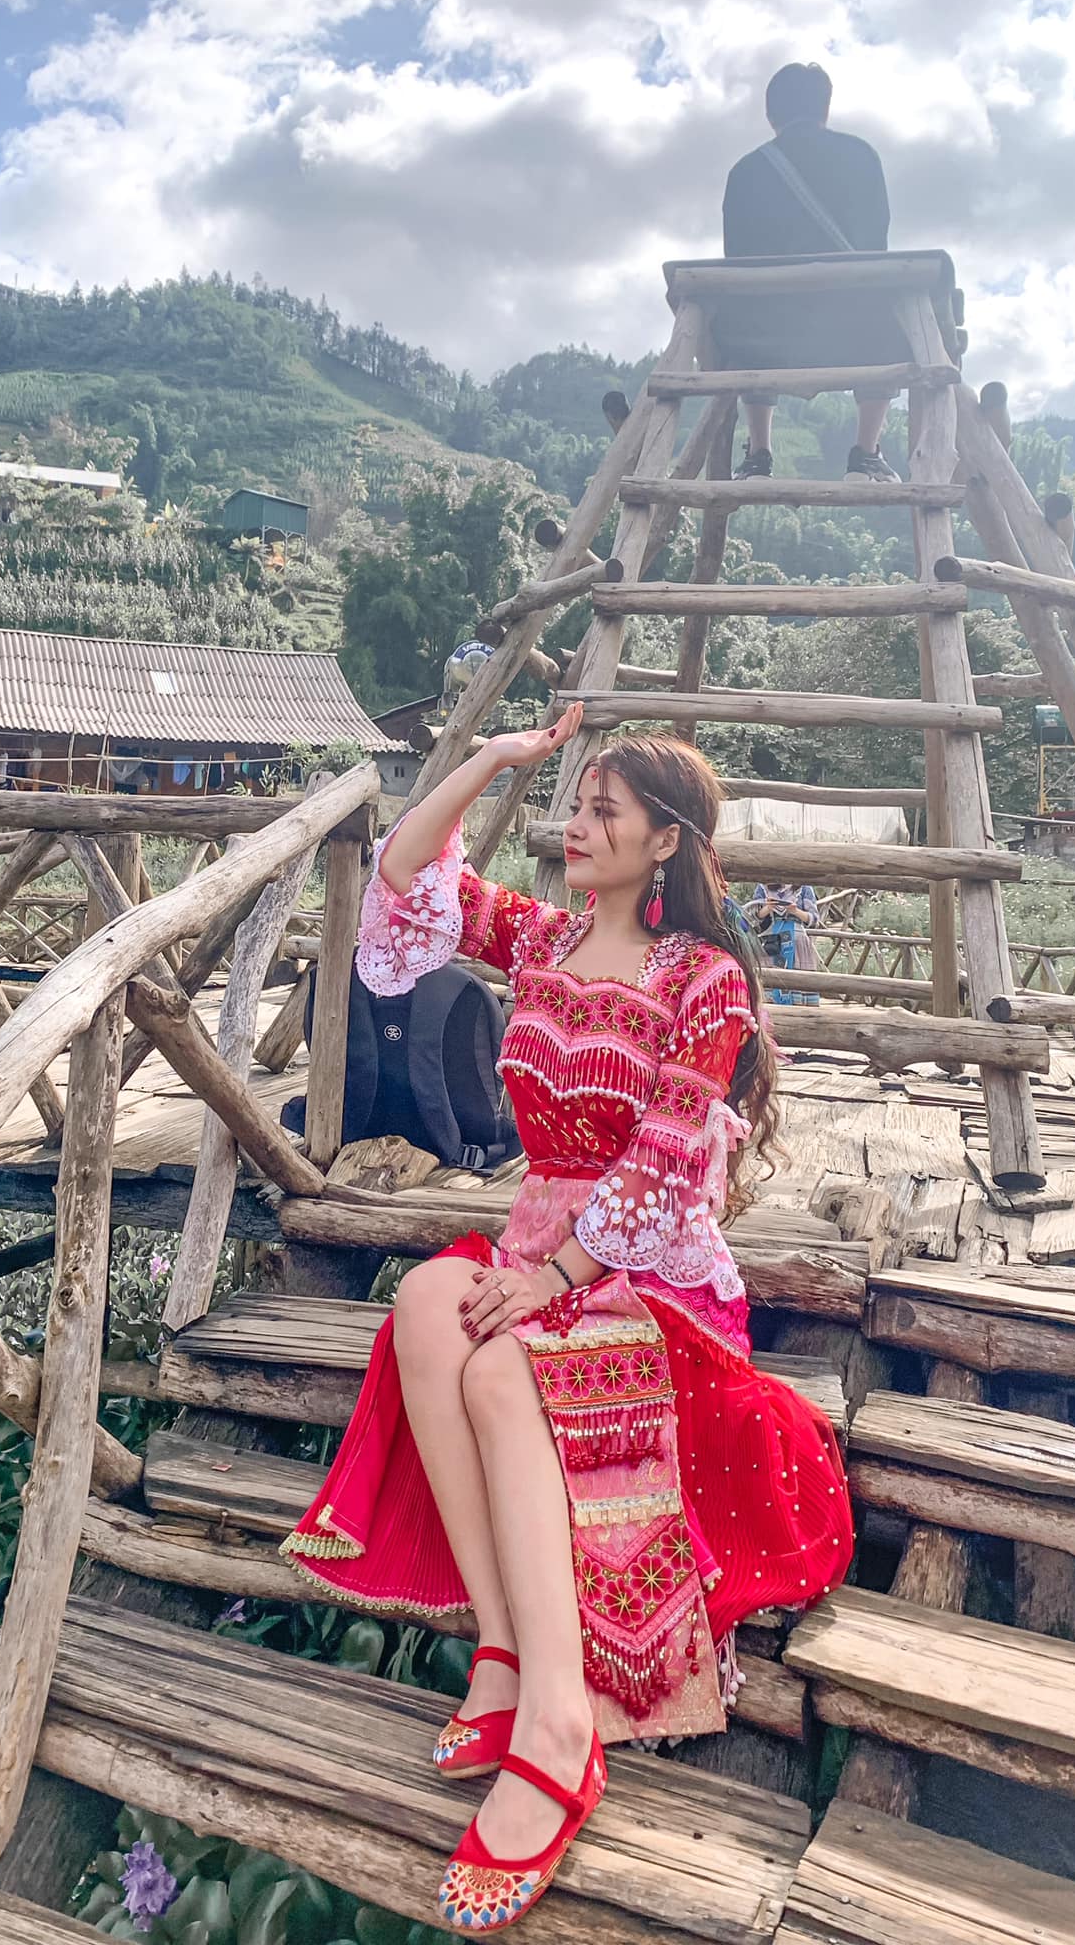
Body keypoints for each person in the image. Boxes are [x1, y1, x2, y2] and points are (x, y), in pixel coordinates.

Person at [280, 708, 853, 1931]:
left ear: (666, 840)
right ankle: (502, 1644)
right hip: (537, 1243)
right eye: (575, 804)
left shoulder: (702, 979)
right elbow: (405, 874)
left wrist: (557, 1278)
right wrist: (493, 762)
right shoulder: (542, 938)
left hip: (651, 1273)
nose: (576, 826)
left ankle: (559, 1720)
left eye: (605, 810)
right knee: (425, 1302)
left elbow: (671, 1155)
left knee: (502, 1371)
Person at [720, 61, 902, 484]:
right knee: (888, 307)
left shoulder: (746, 171)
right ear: (825, 108)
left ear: (771, 114)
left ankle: (759, 455)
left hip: (765, 336)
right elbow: (875, 247)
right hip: (854, 331)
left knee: (744, 306)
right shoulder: (861, 156)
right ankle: (865, 454)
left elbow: (737, 260)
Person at [747, 882, 820, 1005]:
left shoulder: (805, 888)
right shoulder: (763, 887)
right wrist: (767, 908)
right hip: (772, 940)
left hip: (797, 941)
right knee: (770, 979)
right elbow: (752, 916)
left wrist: (795, 911)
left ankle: (798, 1008)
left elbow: (814, 919)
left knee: (798, 979)